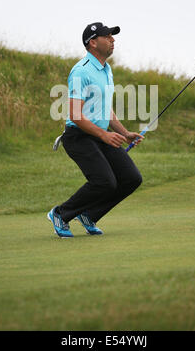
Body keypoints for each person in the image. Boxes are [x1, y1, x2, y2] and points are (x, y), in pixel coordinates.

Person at [47, 22, 144, 238]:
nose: (112, 39)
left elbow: (104, 110)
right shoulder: (80, 71)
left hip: (100, 135)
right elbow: (75, 115)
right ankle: (61, 214)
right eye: (107, 36)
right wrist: (105, 135)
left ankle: (89, 215)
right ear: (93, 42)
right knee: (105, 181)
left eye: (112, 36)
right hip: (79, 136)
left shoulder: (106, 70)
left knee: (131, 178)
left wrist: (125, 133)